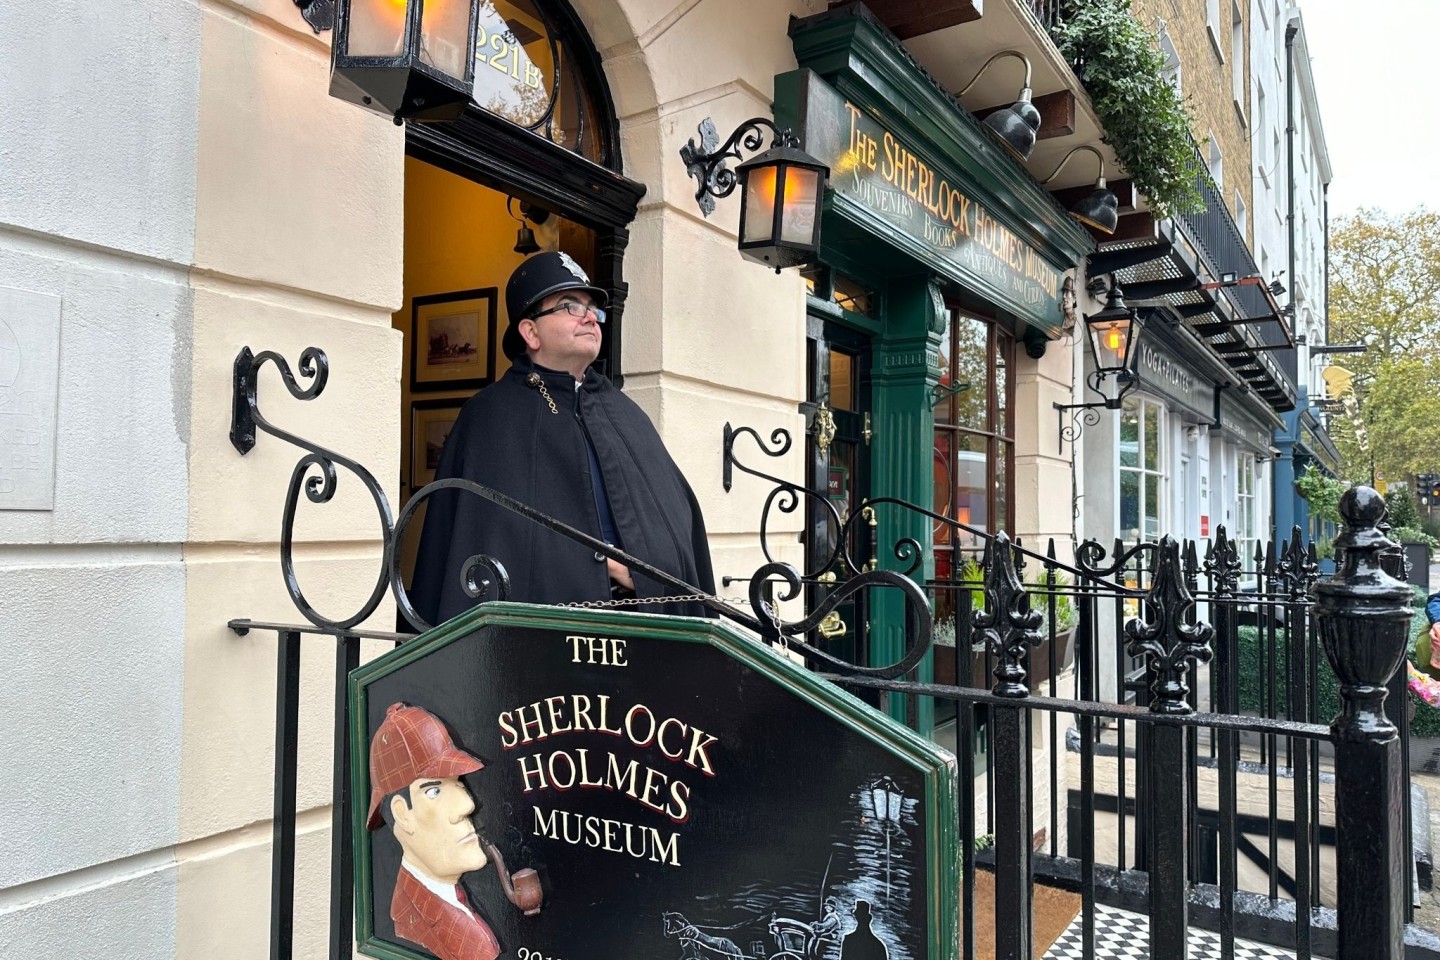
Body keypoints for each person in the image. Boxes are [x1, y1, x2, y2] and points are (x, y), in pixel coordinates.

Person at [411, 250, 714, 625]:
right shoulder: (489, 418)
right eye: (569, 306)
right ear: (530, 331)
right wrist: (598, 565)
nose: (590, 317)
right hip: (541, 644)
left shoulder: (625, 414)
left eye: (593, 309)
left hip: (641, 627)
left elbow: (677, 530)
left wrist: (642, 575)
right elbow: (480, 544)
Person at [367, 702, 501, 960]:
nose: (467, 804)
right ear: (402, 814)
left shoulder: (447, 899)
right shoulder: (411, 920)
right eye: (434, 791)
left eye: (459, 783)